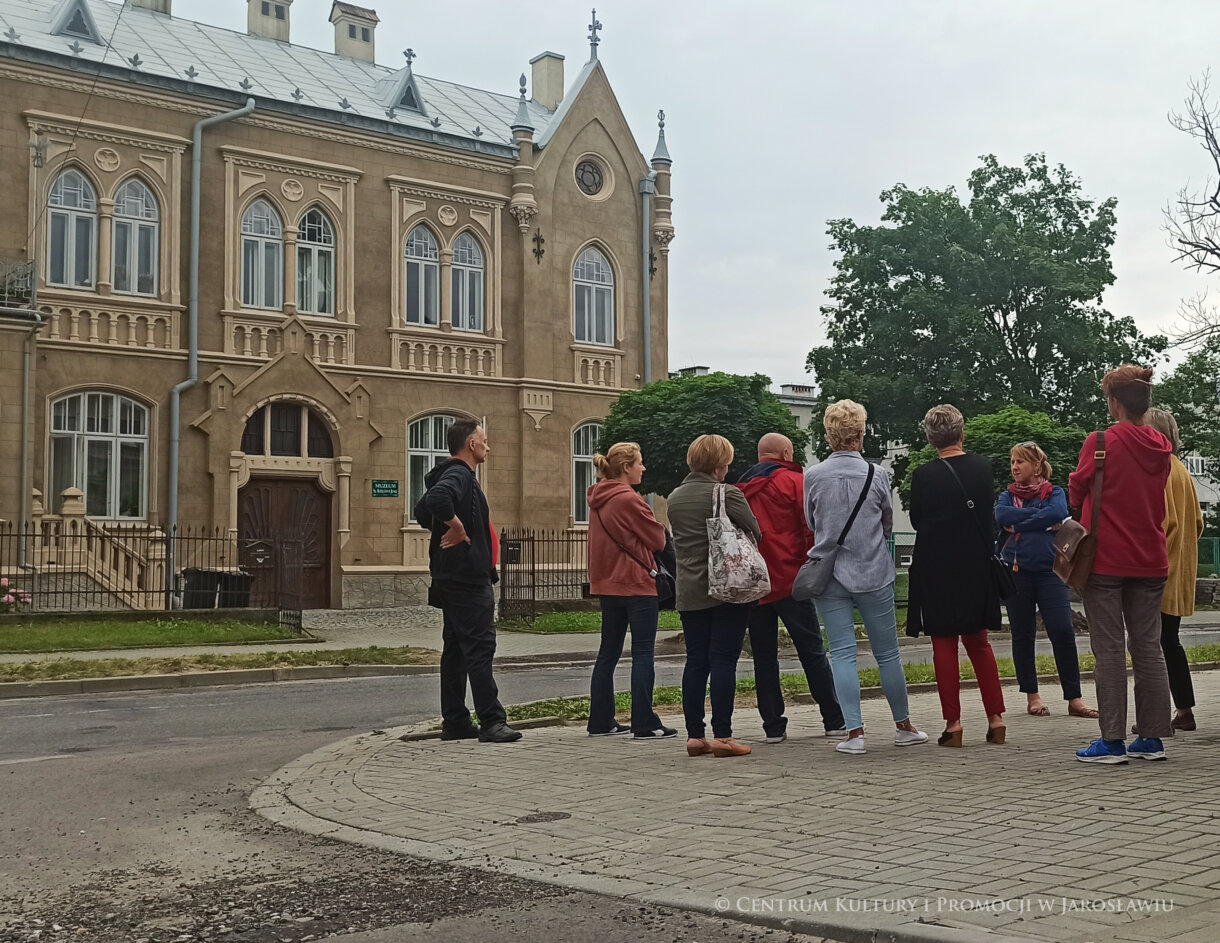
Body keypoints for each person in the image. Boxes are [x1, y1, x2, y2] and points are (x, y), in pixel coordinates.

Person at [805, 400, 927, 756]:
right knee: (887, 653)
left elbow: (812, 523)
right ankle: (903, 726)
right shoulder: (878, 474)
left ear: (828, 436)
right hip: (873, 571)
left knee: (841, 653)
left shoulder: (812, 476)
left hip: (828, 574)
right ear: (861, 434)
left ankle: (854, 733)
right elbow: (887, 523)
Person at [1070, 366, 1173, 764]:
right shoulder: (1161, 445)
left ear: (1114, 403)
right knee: (1149, 647)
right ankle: (1151, 738)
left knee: (1109, 648)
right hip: (1151, 558)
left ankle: (1111, 741)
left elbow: (1078, 489)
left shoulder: (1100, 442)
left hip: (1106, 560)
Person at [907, 404, 1007, 747]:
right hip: (976, 564)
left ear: (930, 439)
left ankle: (953, 724)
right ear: (962, 433)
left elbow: (918, 520)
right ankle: (995, 719)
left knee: (943, 643)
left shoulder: (923, 476)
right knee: (979, 641)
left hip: (937, 566)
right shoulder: (982, 468)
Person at [738, 433, 845, 742]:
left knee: (764, 657)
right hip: (790, 580)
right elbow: (809, 527)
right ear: (786, 452)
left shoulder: (739, 488)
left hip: (754, 585)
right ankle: (833, 718)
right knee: (812, 651)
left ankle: (773, 726)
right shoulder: (795, 481)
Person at [420, 419, 521, 743]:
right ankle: (492, 721)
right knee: (479, 648)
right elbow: (435, 503)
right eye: (484, 440)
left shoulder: (452, 476)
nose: (488, 447)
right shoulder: (458, 475)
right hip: (466, 578)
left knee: (456, 650)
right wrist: (457, 528)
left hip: (453, 576)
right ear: (471, 444)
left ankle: (456, 721)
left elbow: (423, 511)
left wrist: (446, 525)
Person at [667, 434, 761, 758]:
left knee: (696, 661)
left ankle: (695, 735)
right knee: (723, 659)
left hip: (690, 590)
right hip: (727, 587)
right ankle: (723, 736)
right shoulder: (727, 493)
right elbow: (754, 530)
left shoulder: (674, 497)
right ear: (720, 464)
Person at [995, 442, 1097, 719]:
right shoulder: (1006, 496)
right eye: (1012, 461)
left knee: (1063, 631)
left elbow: (1056, 513)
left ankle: (1074, 698)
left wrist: (1021, 522)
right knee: (1023, 635)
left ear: (1037, 466)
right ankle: (1033, 696)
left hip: (1051, 573)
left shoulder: (1055, 493)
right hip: (1016, 573)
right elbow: (1002, 516)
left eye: (1021, 461)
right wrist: (1039, 519)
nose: (1014, 467)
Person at [585, 441, 677, 740]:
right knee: (642, 654)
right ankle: (644, 722)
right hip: (637, 583)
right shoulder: (630, 499)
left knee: (607, 654)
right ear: (626, 467)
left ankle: (600, 720)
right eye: (639, 463)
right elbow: (658, 540)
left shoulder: (597, 498)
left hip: (608, 584)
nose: (643, 467)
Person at [1145, 407, 1202, 733]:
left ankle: (1156, 716)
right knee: (1169, 641)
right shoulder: (1180, 470)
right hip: (1178, 570)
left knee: (1150, 645)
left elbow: (1160, 523)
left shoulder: (1160, 470)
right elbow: (1197, 522)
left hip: (1157, 571)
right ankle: (1183, 710)